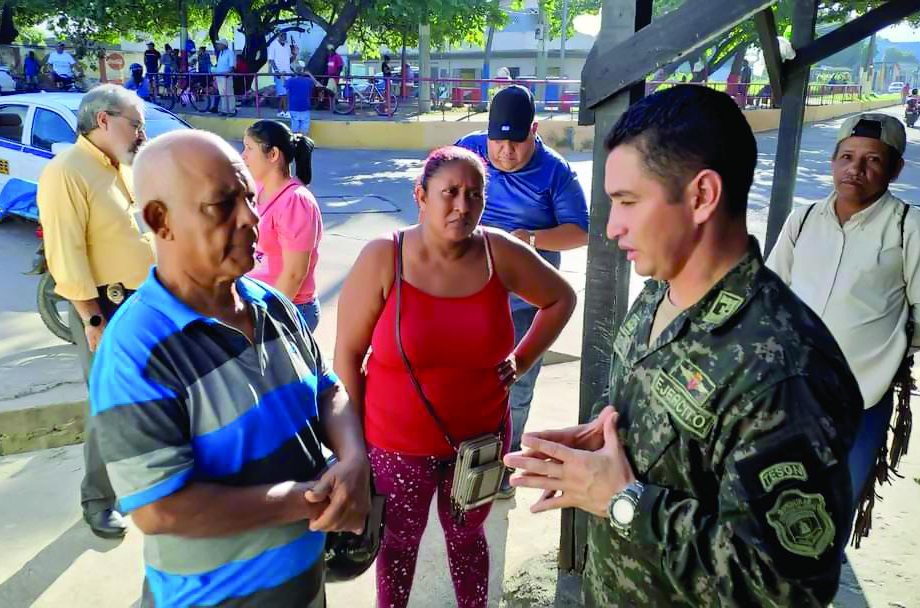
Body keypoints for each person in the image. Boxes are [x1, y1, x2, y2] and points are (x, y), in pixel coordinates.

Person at [504, 84, 863, 607]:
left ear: (702, 196)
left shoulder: (785, 371)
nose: (612, 227)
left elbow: (786, 588)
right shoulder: (659, 291)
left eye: (627, 202)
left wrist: (625, 501)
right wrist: (607, 437)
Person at [90, 129, 370, 608]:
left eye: (249, 197)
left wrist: (353, 460)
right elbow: (162, 510)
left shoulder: (273, 305)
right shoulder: (136, 349)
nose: (251, 218)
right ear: (160, 220)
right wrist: (310, 499)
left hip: (304, 587)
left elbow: (327, 389)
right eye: (222, 205)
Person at [334, 145, 576, 608]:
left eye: (474, 194)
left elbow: (561, 298)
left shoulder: (498, 252)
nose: (463, 205)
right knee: (398, 544)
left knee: (467, 539)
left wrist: (522, 360)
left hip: (480, 444)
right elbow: (348, 354)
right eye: (450, 192)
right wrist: (355, 446)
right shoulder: (384, 256)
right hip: (397, 446)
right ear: (421, 196)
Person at [767, 113, 920, 544]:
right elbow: (772, 292)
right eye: (847, 157)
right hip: (788, 393)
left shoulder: (911, 228)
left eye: (873, 160)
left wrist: (887, 351)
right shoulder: (804, 219)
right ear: (833, 161)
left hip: (860, 402)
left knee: (826, 520)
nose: (856, 169)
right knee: (770, 504)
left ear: (895, 169)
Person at [455, 84, 589, 499]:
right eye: (497, 142)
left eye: (515, 142)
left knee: (515, 385)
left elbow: (581, 231)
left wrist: (529, 239)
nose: (505, 152)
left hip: (526, 302)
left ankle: (504, 465)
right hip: (467, 293)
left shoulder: (555, 173)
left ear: (534, 131)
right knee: (460, 377)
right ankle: (459, 455)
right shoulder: (468, 150)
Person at [36, 84, 154, 540]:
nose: (141, 133)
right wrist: (92, 318)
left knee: (147, 400)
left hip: (143, 301)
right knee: (109, 406)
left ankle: (139, 485)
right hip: (106, 305)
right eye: (135, 124)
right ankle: (98, 500)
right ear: (103, 120)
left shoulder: (120, 165)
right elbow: (66, 254)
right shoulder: (67, 170)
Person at [241, 120, 324, 331]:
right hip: (258, 302)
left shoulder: (295, 202)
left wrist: (268, 319)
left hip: (288, 309)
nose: (243, 155)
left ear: (273, 154)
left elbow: (294, 274)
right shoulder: (258, 188)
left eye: (249, 148)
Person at [285, 61, 315, 136]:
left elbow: (285, 87)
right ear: (303, 71)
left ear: (294, 71)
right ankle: (303, 141)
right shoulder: (308, 81)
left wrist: (282, 76)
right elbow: (316, 83)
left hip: (293, 106)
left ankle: (294, 142)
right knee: (304, 130)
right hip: (305, 106)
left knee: (294, 129)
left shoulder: (290, 80)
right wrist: (309, 74)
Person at [268, 32, 292, 119]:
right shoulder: (273, 45)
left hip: (287, 72)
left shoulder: (287, 45)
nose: (283, 37)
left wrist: (295, 54)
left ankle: (280, 112)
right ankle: (286, 111)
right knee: (283, 93)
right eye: (282, 36)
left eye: (285, 36)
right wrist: (276, 71)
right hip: (279, 73)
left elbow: (290, 59)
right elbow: (271, 60)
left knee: (285, 93)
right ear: (278, 36)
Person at [212, 38, 237, 117]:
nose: (218, 46)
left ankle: (232, 111)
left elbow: (232, 67)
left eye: (219, 44)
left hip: (226, 76)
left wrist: (228, 74)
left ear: (223, 45)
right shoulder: (221, 53)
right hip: (219, 76)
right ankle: (224, 110)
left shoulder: (230, 53)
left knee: (229, 94)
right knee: (222, 95)